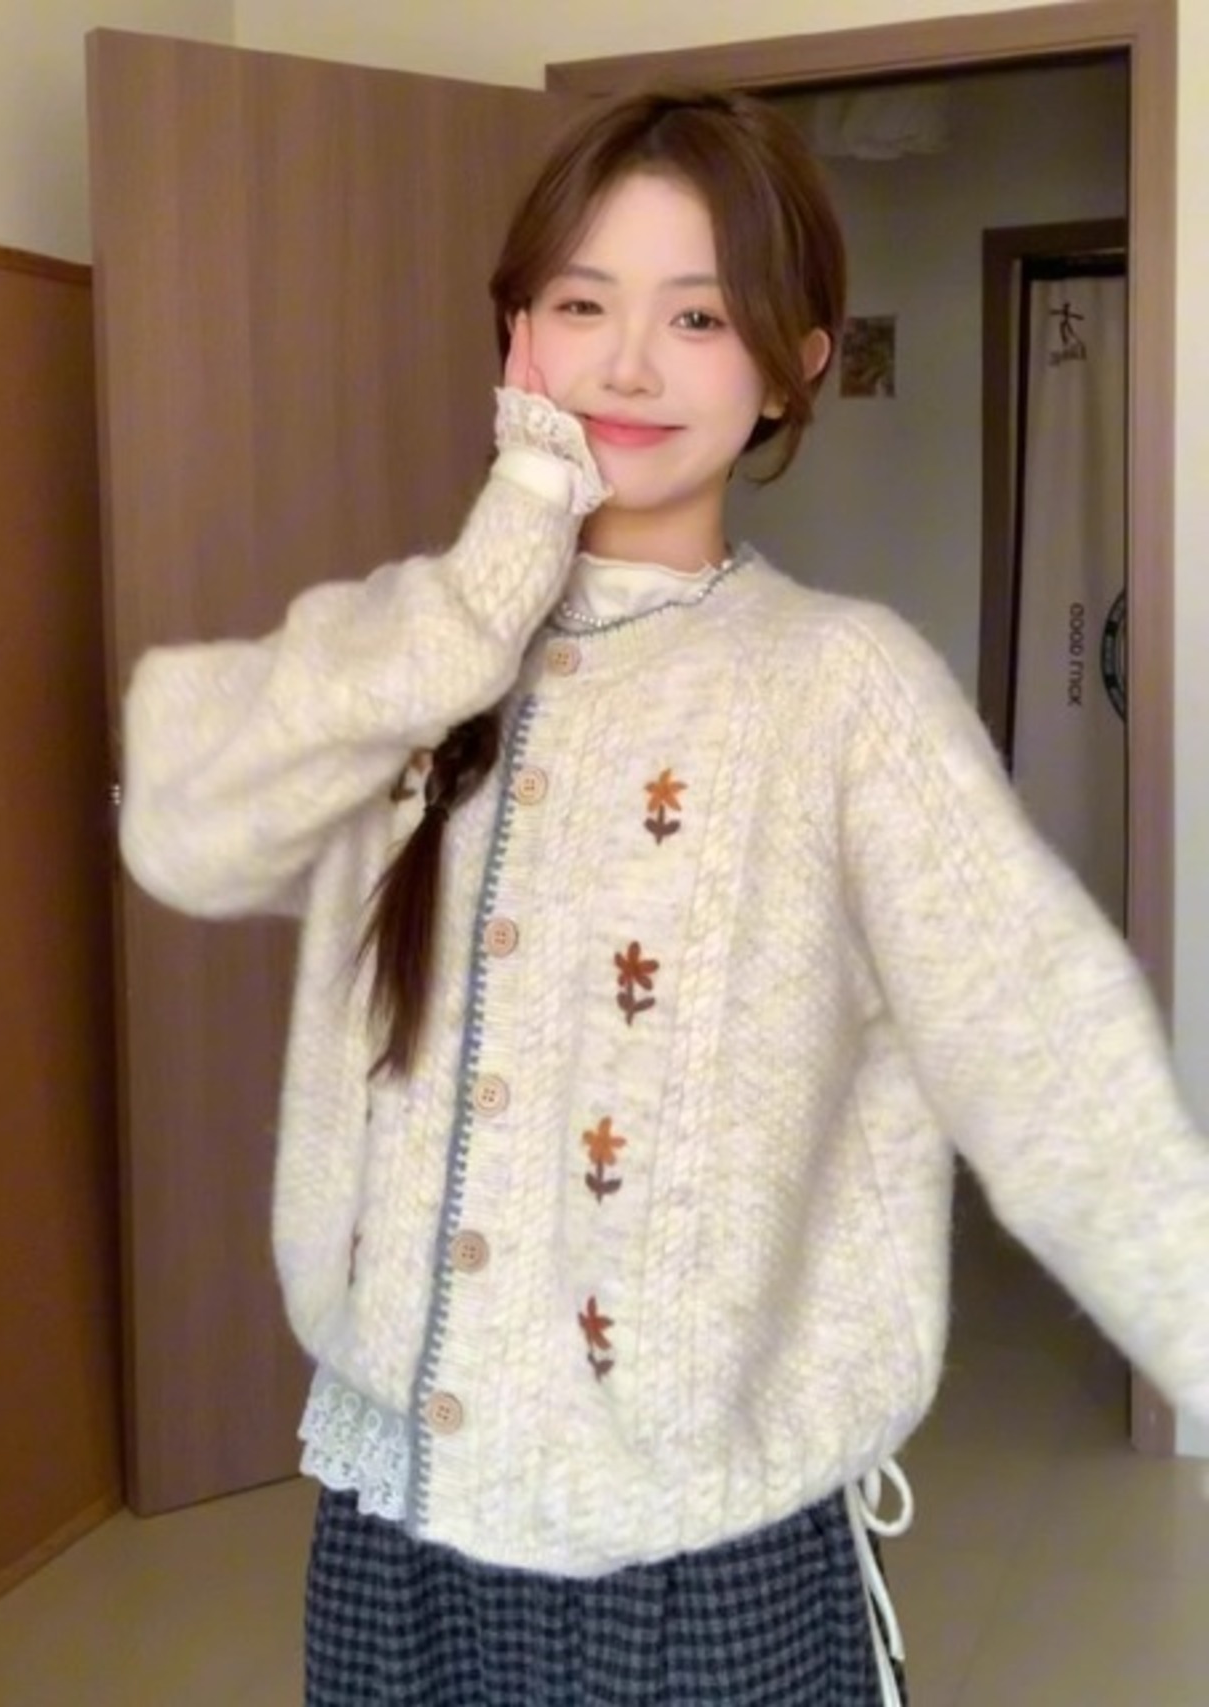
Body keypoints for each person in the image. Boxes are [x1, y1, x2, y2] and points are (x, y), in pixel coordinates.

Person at [120, 87, 1209, 1707]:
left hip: (700, 1550)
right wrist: (493, 578)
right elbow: (184, 827)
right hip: (398, 1513)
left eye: (697, 315)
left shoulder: (839, 688)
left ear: (792, 362)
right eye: (583, 305)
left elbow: (1050, 1059)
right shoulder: (408, 650)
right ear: (515, 337)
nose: (629, 366)